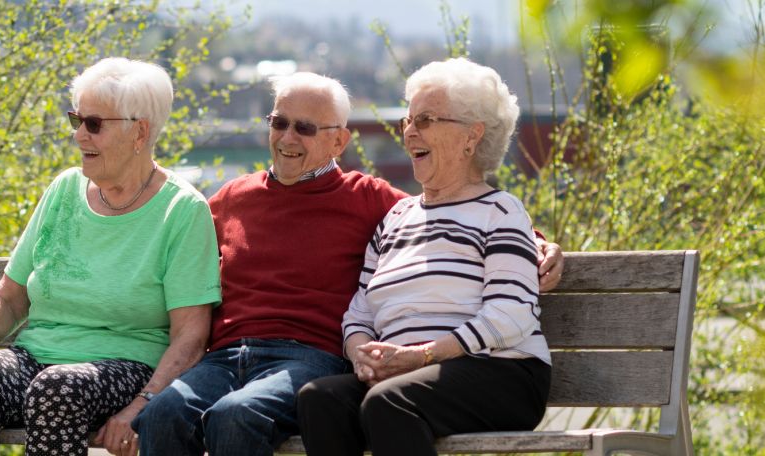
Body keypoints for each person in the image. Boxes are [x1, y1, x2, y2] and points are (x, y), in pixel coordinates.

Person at [132, 71, 564, 455]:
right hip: (231, 355)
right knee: (169, 415)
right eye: (279, 123)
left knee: (242, 415)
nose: (287, 138)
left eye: (304, 128)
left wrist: (538, 244)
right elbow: (362, 306)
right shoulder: (238, 198)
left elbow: (484, 226)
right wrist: (361, 351)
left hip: (323, 358)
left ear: (339, 142)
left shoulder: (369, 199)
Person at [0, 57, 220, 456]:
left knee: (57, 388)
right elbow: (10, 295)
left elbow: (191, 336)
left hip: (126, 369)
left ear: (140, 131)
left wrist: (142, 405)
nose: (79, 135)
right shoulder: (64, 190)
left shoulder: (182, 210)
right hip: (35, 361)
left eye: (94, 124)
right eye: (76, 120)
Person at [296, 58, 552, 456]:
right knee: (319, 399)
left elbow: (511, 313)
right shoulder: (395, 219)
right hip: (407, 375)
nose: (410, 131)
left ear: (472, 136)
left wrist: (422, 355)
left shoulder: (500, 211)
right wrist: (362, 354)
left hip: (501, 371)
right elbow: (359, 313)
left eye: (426, 120)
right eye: (408, 120)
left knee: (389, 402)